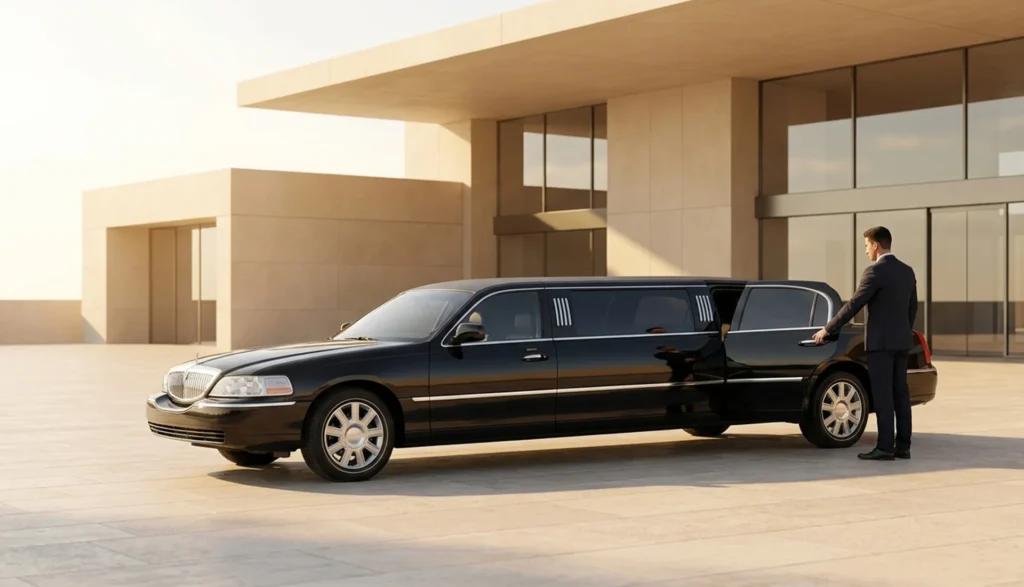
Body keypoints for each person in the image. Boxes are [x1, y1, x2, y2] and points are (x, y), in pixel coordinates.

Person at [811, 226, 918, 461]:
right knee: (901, 393)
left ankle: (885, 447)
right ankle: (903, 446)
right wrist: (903, 332)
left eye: (867, 245)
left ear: (876, 245)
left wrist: (828, 329)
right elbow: (912, 309)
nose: (866, 250)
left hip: (881, 344)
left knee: (883, 396)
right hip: (901, 341)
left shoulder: (874, 272)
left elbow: (854, 305)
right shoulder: (907, 271)